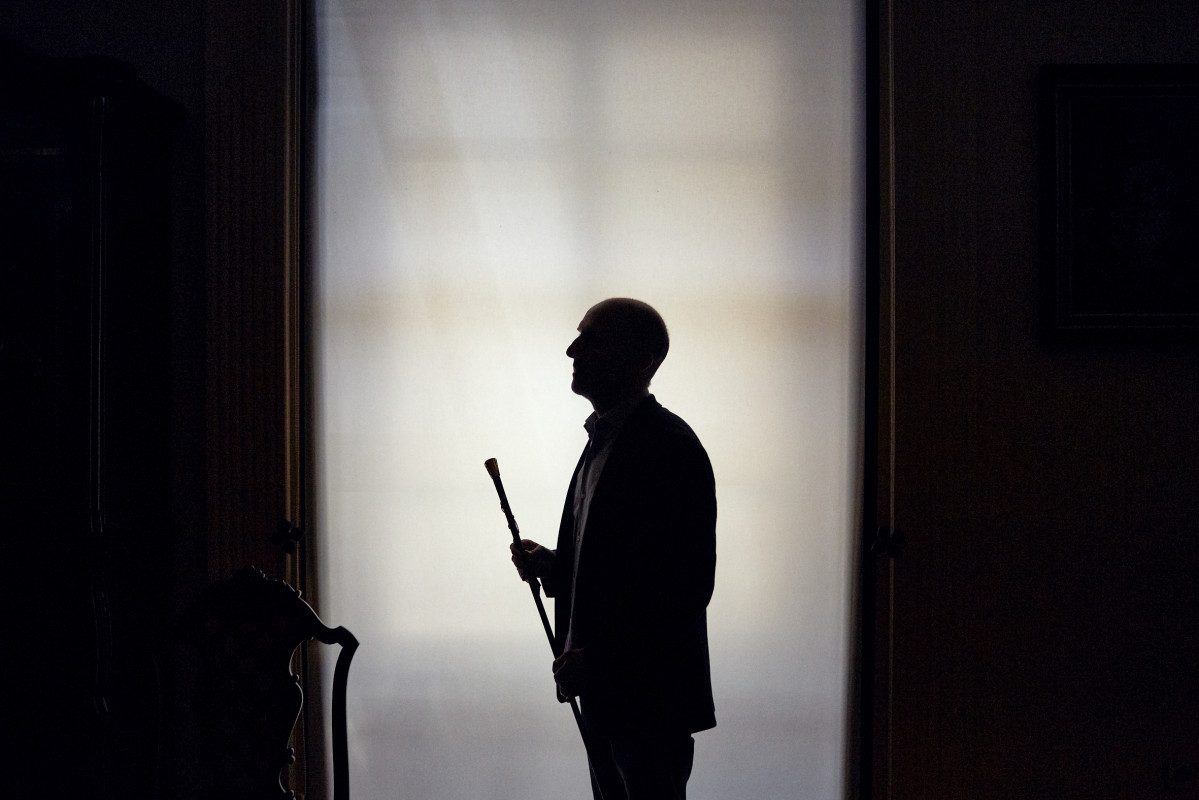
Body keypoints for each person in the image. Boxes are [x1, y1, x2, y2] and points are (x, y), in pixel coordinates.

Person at [511, 298, 717, 800]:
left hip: (648, 701)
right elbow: (628, 571)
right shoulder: (607, 440)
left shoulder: (669, 446)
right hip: (613, 696)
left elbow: (686, 587)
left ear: (641, 361)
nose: (571, 349)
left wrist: (600, 659)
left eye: (591, 339)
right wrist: (555, 569)